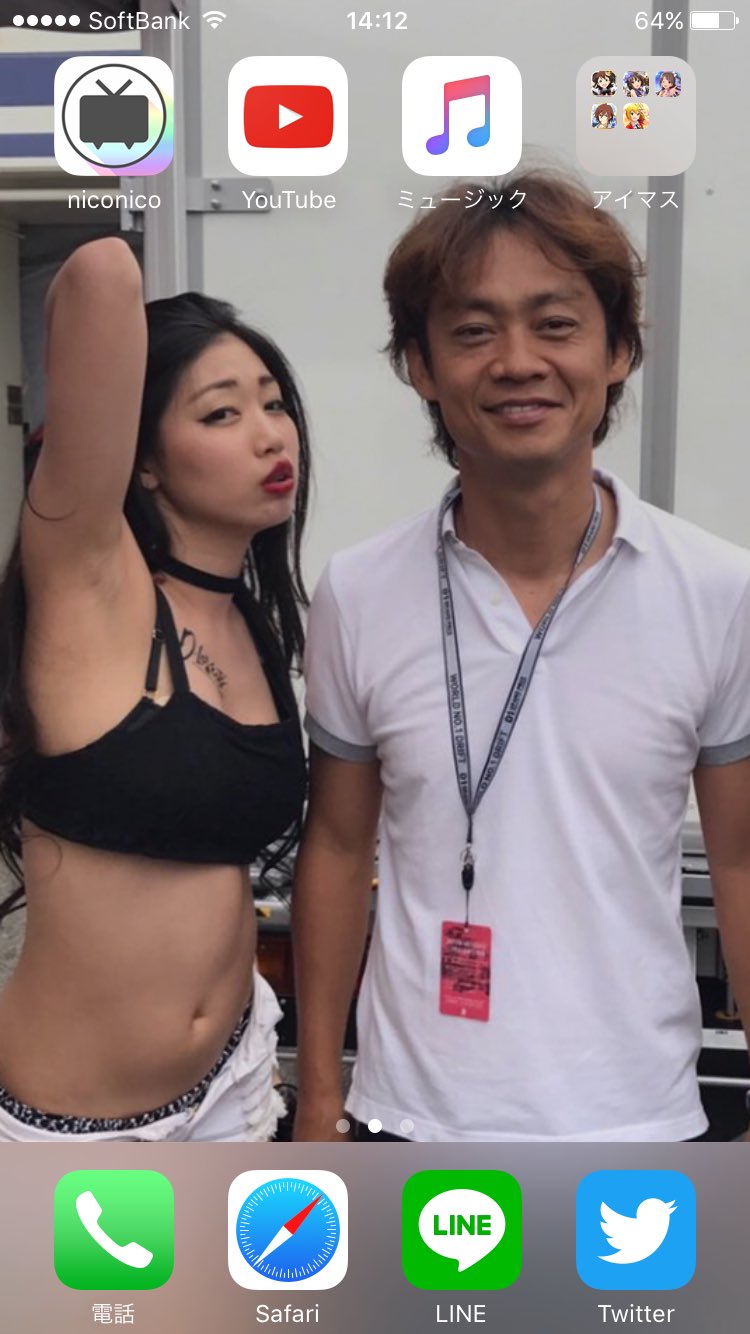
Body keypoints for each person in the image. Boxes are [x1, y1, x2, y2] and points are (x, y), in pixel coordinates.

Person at [292, 171, 750, 1143]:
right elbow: (334, 848)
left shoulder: (718, 590)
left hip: (637, 1121)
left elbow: (741, 860)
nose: (516, 362)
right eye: (473, 330)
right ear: (419, 366)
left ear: (618, 350)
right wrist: (322, 1094)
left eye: (555, 324)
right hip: (411, 1117)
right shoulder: (358, 591)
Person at [0, 238, 310, 1142]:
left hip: (236, 1083)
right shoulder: (90, 582)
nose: (270, 434)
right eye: (221, 413)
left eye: (275, 404)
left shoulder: (255, 620)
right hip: (77, 1127)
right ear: (141, 460)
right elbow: (103, 273)